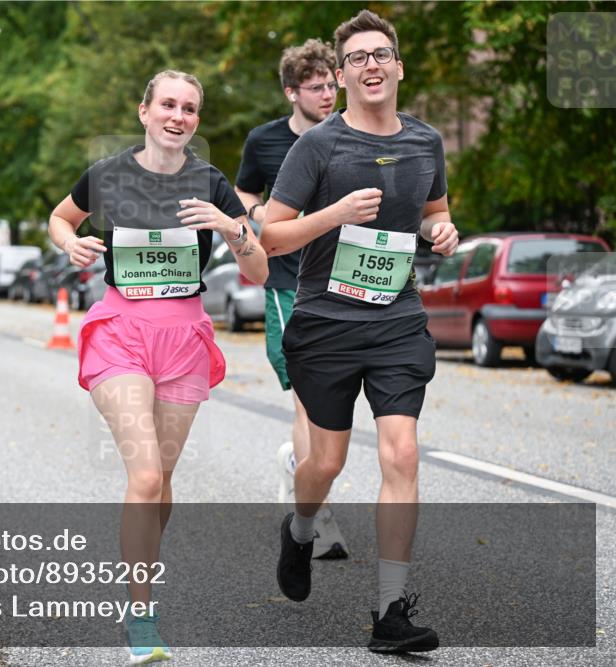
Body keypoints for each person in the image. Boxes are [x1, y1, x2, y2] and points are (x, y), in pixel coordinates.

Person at [48, 70, 268, 664]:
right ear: (144, 111)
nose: (178, 115)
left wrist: (232, 227)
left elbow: (259, 273)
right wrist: (68, 242)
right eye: (167, 104)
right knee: (146, 476)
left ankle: (138, 558)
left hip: (184, 336)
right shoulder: (108, 174)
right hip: (121, 331)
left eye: (189, 108)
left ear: (196, 119)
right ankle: (140, 614)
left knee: (161, 483)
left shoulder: (210, 181)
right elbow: (61, 217)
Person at [261, 10, 459, 653]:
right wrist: (335, 214)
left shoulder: (427, 141)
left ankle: (389, 612)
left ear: (398, 67)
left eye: (381, 55)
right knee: (327, 460)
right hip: (325, 322)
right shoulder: (318, 145)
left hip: (397, 318)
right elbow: (272, 233)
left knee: (401, 453)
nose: (370, 65)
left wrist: (441, 232)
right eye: (356, 59)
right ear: (341, 76)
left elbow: (435, 212)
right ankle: (300, 527)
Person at [235, 38, 349, 559]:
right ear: (291, 92)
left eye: (331, 84)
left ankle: (295, 469)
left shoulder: (353, 136)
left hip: (342, 284)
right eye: (316, 86)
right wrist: (259, 218)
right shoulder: (264, 141)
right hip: (288, 281)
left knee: (334, 405)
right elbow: (242, 195)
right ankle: (317, 519)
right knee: (308, 400)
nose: (328, 94)